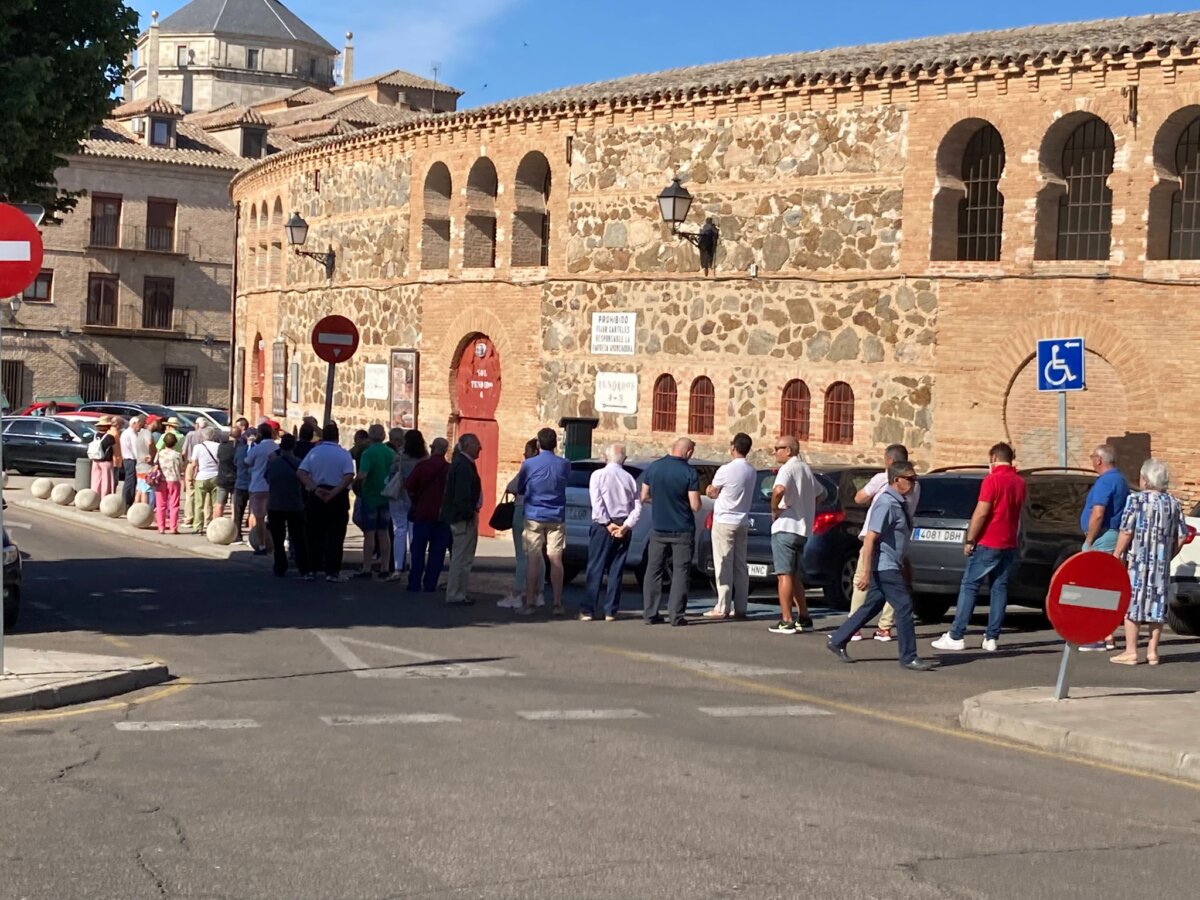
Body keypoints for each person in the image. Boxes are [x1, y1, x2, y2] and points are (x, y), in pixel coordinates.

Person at [826, 462, 933, 671]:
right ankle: (909, 656)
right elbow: (870, 538)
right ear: (896, 480)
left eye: (914, 478)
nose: (913, 483)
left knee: (872, 605)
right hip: (884, 566)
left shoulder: (898, 502)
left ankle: (838, 640)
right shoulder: (886, 503)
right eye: (909, 479)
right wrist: (865, 571)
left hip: (891, 563)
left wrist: (904, 563)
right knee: (903, 606)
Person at [932, 443, 1027, 653]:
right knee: (999, 588)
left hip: (989, 540)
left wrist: (970, 539)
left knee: (970, 585)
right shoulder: (1020, 482)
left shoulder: (992, 480)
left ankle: (956, 635)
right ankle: (991, 637)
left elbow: (981, 512)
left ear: (993, 458)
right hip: (1009, 541)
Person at [1110, 459, 1187, 666]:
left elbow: (1127, 530)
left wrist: (1116, 554)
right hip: (1160, 564)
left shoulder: (1136, 501)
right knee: (1156, 606)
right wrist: (1169, 554)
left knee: (1133, 604)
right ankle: (1153, 651)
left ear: (1145, 479)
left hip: (1138, 561)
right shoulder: (1173, 503)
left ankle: (1131, 651)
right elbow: (1181, 535)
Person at [847, 444, 920, 642]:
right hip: (899, 538)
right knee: (891, 583)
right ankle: (885, 626)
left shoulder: (883, 479)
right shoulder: (915, 484)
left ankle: (853, 626)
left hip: (878, 536)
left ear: (889, 461)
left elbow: (859, 497)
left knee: (862, 580)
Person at [640, 437, 702, 626]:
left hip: (659, 528)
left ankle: (650, 612)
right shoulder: (689, 472)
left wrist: (658, 501)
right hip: (682, 529)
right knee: (681, 571)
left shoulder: (654, 467)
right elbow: (696, 505)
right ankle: (676, 615)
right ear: (689, 452)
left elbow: (644, 496)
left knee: (653, 570)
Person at [768, 436, 826, 634]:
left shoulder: (788, 468)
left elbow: (778, 490)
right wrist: (807, 507)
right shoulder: (805, 469)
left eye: (779, 448)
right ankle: (804, 616)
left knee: (783, 574)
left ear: (789, 450)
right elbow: (821, 492)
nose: (775, 452)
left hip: (785, 527)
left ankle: (786, 619)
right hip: (802, 529)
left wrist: (775, 508)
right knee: (794, 575)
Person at [1079, 444, 1131, 651]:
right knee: (1104, 586)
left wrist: (1090, 539)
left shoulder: (1104, 482)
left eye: (1093, 457)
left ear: (1099, 460)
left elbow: (1098, 512)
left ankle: (1096, 636)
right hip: (1113, 535)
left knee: (1091, 586)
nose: (1092, 460)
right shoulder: (1120, 479)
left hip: (1102, 536)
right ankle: (1107, 635)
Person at [517, 427, 572, 616]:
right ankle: (557, 603)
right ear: (555, 444)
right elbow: (565, 482)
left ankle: (530, 602)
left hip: (534, 514)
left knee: (533, 559)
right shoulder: (564, 464)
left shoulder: (529, 464)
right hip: (556, 515)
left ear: (538, 444)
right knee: (556, 559)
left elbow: (521, 486)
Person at [584, 442, 641, 621]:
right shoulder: (630, 479)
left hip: (603, 526)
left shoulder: (598, 475)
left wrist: (607, 523)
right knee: (616, 569)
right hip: (622, 525)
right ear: (623, 459)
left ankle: (588, 610)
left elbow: (597, 501)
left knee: (596, 567)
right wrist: (626, 526)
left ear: (605, 457)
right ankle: (610, 610)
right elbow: (637, 507)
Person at [704, 432, 757, 619]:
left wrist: (709, 490)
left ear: (733, 447)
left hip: (725, 519)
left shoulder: (726, 470)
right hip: (742, 520)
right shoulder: (751, 470)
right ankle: (741, 606)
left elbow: (712, 491)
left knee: (723, 562)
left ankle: (722, 605)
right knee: (740, 565)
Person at [297, 422, 356, 583]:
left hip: (317, 494)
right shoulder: (344, 454)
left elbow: (301, 472)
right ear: (338, 437)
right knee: (336, 536)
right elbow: (349, 475)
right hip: (337, 496)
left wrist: (315, 488)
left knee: (314, 534)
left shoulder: (314, 452)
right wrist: (335, 492)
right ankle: (332, 571)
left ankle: (311, 569)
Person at [499, 439, 544, 609]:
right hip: (541, 513)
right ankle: (539, 594)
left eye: (527, 450)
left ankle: (517, 593)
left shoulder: (529, 466)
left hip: (523, 510)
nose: (524, 453)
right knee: (538, 554)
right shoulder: (552, 466)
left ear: (534, 451)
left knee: (522, 555)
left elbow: (513, 486)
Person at [406, 437, 451, 593]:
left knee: (418, 550)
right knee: (437, 553)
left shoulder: (422, 466)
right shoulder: (449, 469)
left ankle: (414, 583)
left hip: (423, 513)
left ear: (432, 449)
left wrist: (416, 499)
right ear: (445, 451)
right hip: (441, 516)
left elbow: (409, 485)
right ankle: (430, 584)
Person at [442, 434, 483, 605]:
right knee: (460, 556)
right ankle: (455, 593)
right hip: (462, 518)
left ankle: (459, 591)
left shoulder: (463, 464)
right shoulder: (463, 466)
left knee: (464, 557)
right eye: (477, 445)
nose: (480, 448)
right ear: (467, 445)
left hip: (463, 516)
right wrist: (468, 515)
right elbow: (461, 496)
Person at [266, 433, 312, 579]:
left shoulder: (273, 463)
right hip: (295, 504)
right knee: (298, 538)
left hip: (275, 504)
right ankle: (303, 567)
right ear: (294, 446)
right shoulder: (299, 463)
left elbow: (268, 479)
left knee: (278, 540)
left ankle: (280, 566)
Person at [355, 424, 397, 580]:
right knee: (384, 531)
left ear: (370, 436)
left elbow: (362, 474)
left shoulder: (368, 453)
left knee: (370, 533)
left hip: (371, 496)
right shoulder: (391, 452)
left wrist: (355, 483)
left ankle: (367, 567)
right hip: (386, 496)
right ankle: (385, 566)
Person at [389, 428, 427, 575]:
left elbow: (391, 473)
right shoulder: (425, 459)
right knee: (414, 532)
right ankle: (415, 565)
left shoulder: (400, 457)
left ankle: (398, 566)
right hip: (417, 497)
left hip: (399, 495)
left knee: (399, 530)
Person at [246, 422, 279, 553]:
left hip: (258, 485)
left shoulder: (257, 448)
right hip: (273, 486)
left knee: (259, 517)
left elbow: (247, 462)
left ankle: (261, 545)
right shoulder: (276, 447)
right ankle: (276, 542)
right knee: (274, 517)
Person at [187, 427, 222, 533]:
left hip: (201, 476)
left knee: (199, 504)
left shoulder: (198, 447)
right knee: (214, 503)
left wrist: (191, 477)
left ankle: (198, 526)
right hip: (216, 475)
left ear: (203, 436)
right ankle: (211, 523)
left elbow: (193, 464)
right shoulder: (218, 446)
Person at [180, 417, 209, 528]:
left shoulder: (190, 435)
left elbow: (183, 451)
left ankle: (189, 518)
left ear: (197, 425)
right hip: (204, 466)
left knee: (190, 493)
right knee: (205, 494)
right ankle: (206, 519)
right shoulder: (209, 436)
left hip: (191, 464)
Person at [154, 433, 185, 533]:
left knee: (161, 504)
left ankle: (161, 527)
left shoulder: (160, 453)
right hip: (174, 479)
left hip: (161, 479)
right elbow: (181, 466)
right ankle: (173, 527)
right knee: (174, 504)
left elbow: (155, 463)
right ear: (175, 443)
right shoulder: (177, 455)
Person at [215, 424, 241, 521]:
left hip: (223, 477)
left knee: (219, 504)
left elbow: (219, 458)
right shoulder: (240, 447)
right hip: (236, 478)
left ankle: (216, 524)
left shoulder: (222, 447)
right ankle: (234, 525)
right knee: (234, 506)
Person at [89, 416, 119, 498]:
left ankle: (94, 497)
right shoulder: (110, 437)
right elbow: (115, 450)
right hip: (106, 461)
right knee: (106, 481)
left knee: (95, 480)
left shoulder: (95, 436)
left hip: (95, 460)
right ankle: (104, 497)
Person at [233, 426, 252, 543]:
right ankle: (253, 536)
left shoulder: (240, 450)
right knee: (253, 512)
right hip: (253, 484)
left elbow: (235, 462)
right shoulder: (257, 450)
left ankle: (238, 535)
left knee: (238, 511)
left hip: (240, 483)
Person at [119, 415, 142, 508]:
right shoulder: (131, 434)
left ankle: (126, 501)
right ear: (134, 424)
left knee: (129, 480)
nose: (140, 427)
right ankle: (127, 501)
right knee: (131, 481)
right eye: (139, 425)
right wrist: (140, 459)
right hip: (131, 459)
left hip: (126, 459)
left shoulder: (125, 433)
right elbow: (135, 448)